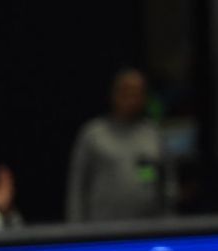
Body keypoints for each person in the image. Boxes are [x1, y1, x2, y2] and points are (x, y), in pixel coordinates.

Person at [66, 69, 173, 223]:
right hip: (102, 229)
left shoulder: (154, 136)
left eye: (137, 92)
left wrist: (169, 222)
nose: (131, 98)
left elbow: (167, 183)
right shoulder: (93, 134)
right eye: (126, 91)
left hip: (148, 228)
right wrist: (75, 228)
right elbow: (76, 187)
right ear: (114, 94)